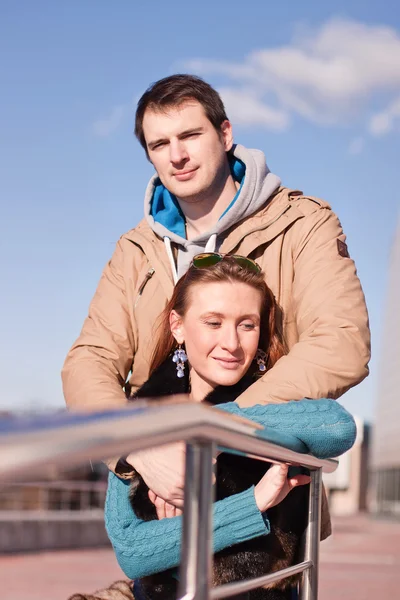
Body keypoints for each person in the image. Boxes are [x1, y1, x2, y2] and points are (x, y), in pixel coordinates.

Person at [62, 74, 370, 534]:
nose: (177, 155)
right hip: (160, 496)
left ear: (225, 135)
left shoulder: (302, 224)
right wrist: (142, 451)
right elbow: (90, 361)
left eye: (190, 135)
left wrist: (209, 432)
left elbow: (341, 343)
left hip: (266, 499)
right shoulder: (136, 249)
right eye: (159, 143)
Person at [103, 256, 357, 600]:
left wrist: (208, 429)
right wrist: (252, 505)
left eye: (247, 325)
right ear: (177, 325)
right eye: (213, 322)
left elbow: (337, 427)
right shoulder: (142, 415)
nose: (232, 343)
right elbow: (133, 553)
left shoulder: (271, 401)